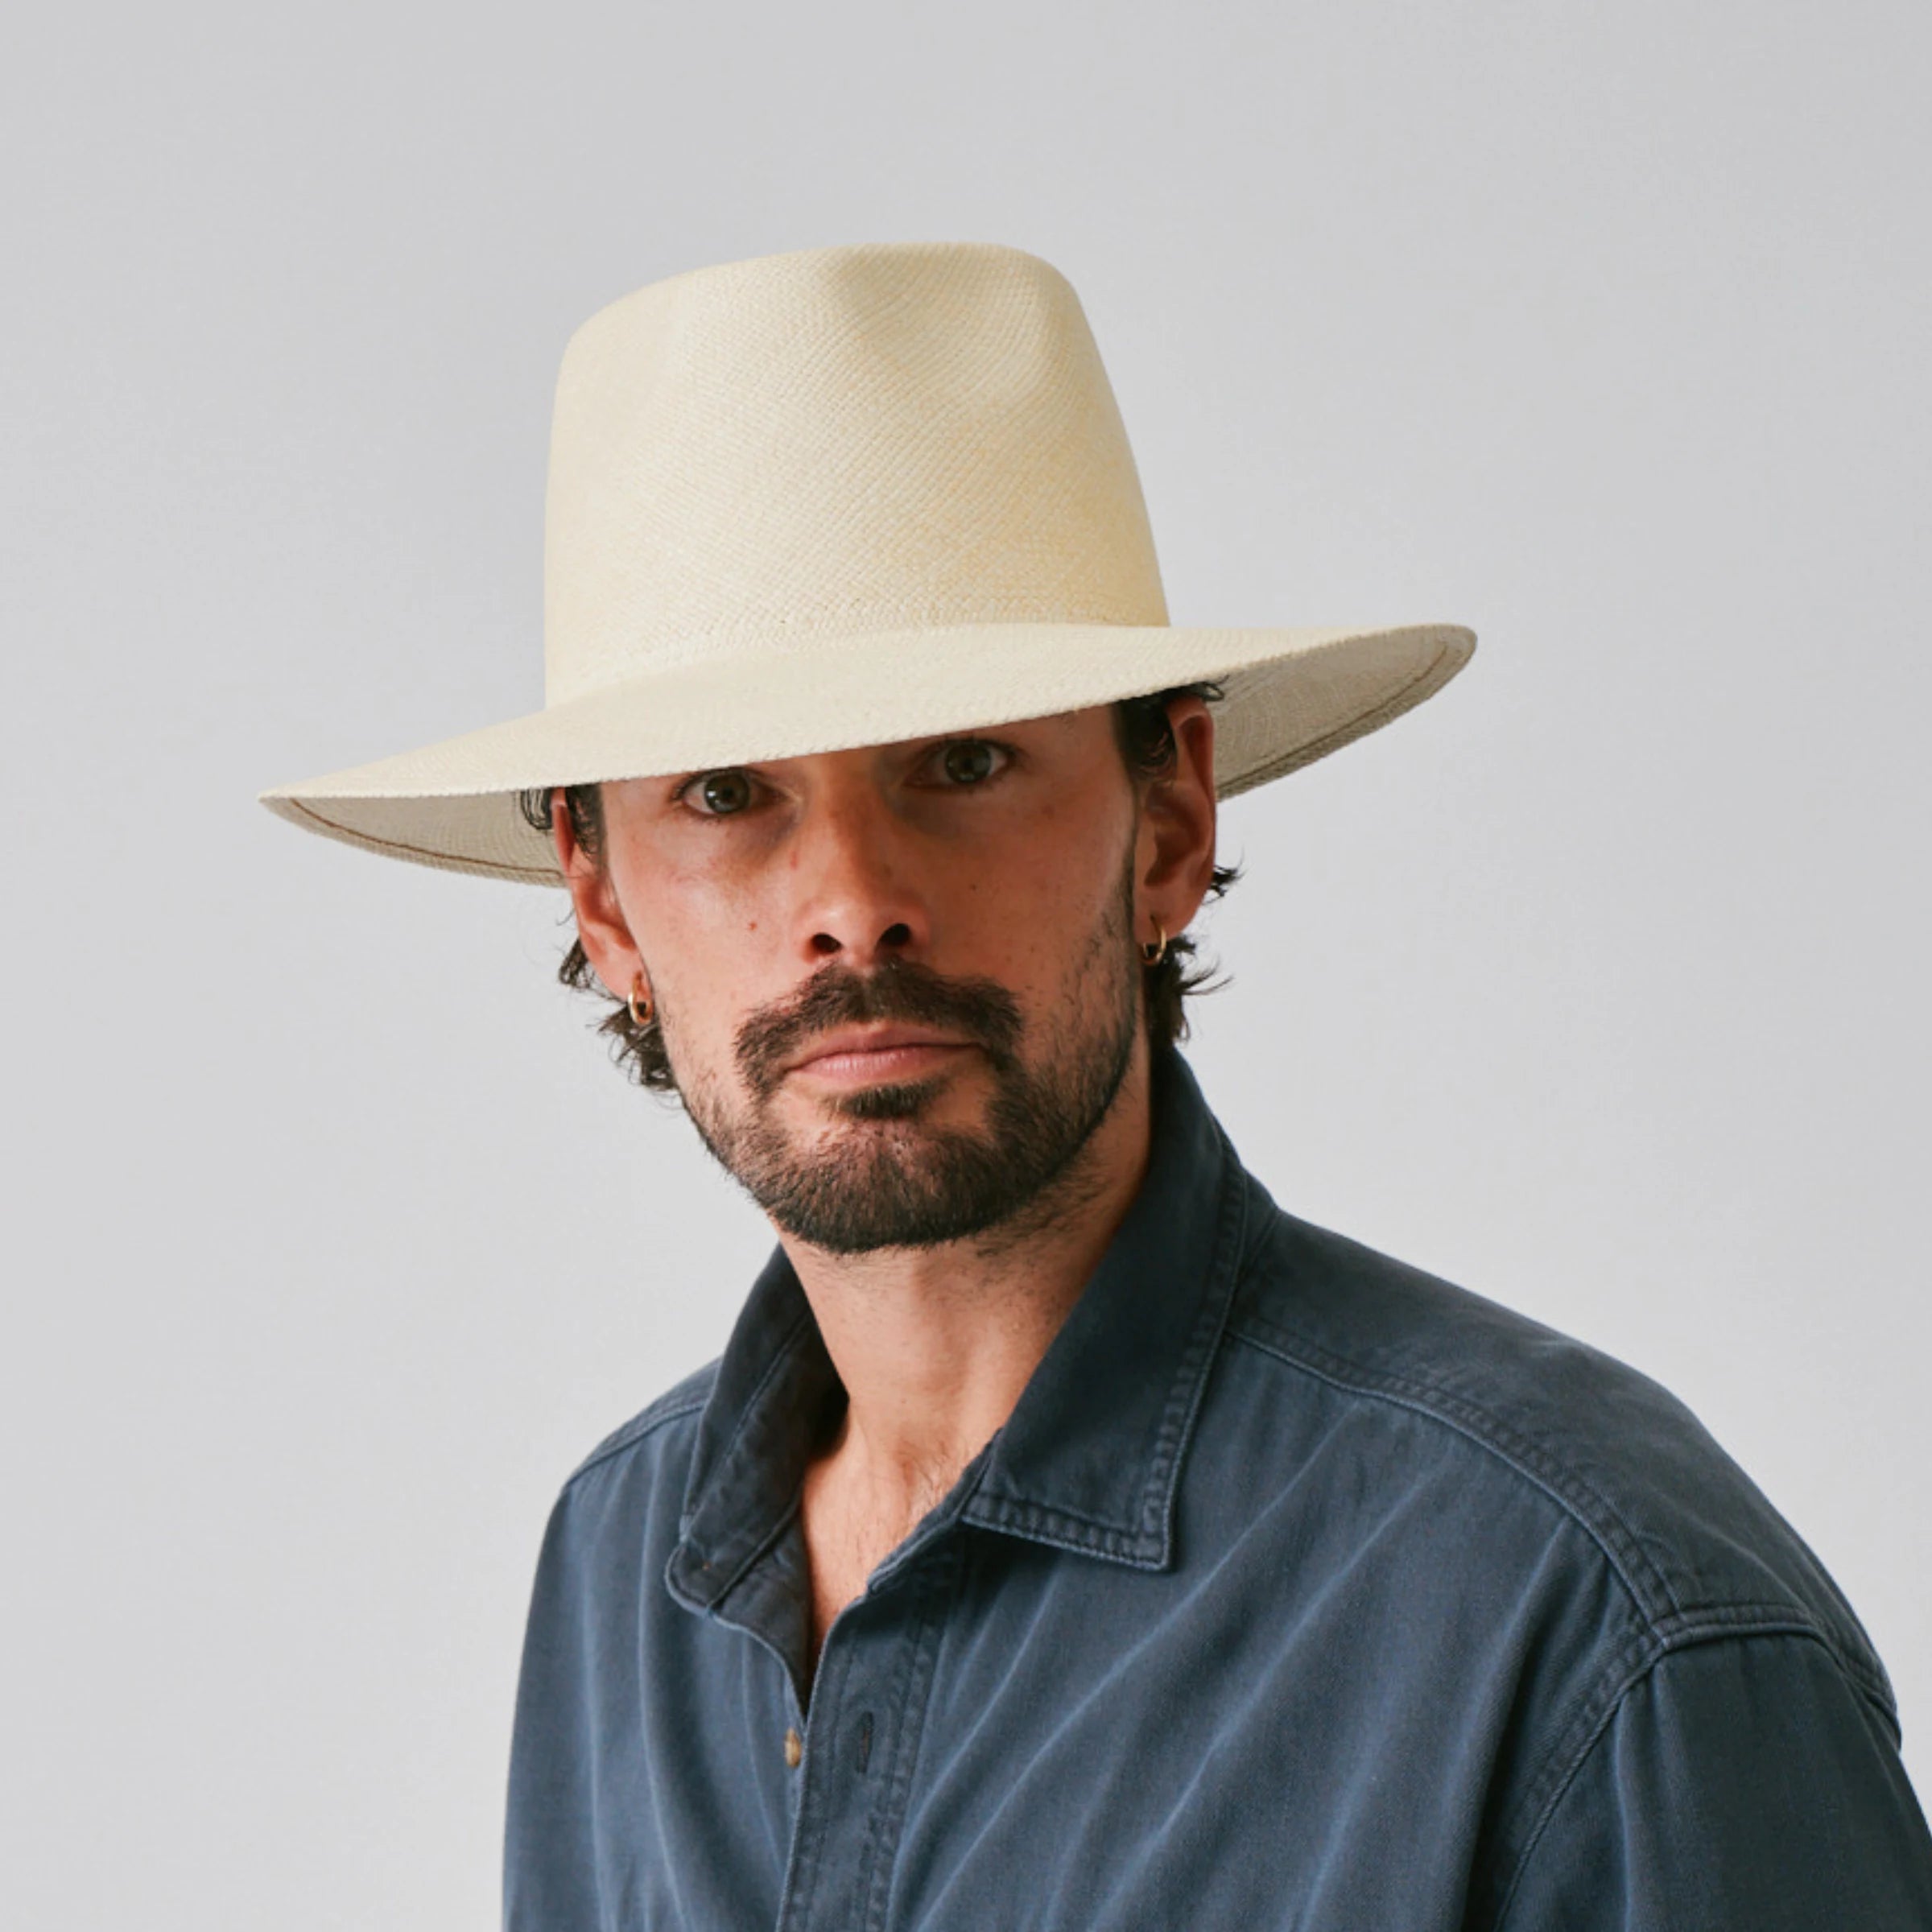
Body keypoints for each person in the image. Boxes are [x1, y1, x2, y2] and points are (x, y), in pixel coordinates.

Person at [262, 242, 1932, 1929]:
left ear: (1172, 818)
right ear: (604, 897)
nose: (852, 899)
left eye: (967, 761)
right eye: (723, 793)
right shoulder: (625, 1572)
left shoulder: (1580, 1611)